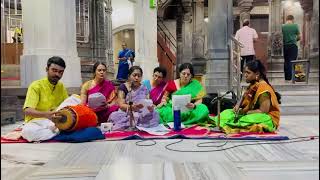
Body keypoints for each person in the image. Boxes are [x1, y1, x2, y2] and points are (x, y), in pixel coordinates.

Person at [211, 60, 281, 134]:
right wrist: (237, 107)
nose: (245, 75)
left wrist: (244, 113)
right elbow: (244, 97)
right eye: (245, 72)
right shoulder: (253, 85)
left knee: (245, 119)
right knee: (227, 113)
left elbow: (263, 111)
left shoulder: (264, 88)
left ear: (257, 74)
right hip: (250, 113)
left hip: (266, 118)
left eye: (248, 73)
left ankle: (233, 123)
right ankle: (231, 122)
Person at [21, 56, 69, 142]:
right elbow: (27, 110)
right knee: (28, 132)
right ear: (47, 69)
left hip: (55, 122)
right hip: (36, 122)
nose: (57, 74)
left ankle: (54, 132)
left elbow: (68, 105)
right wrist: (46, 114)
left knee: (75, 99)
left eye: (61, 72)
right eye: (54, 70)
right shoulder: (36, 86)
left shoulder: (61, 87)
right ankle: (57, 132)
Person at [108, 66, 160, 130]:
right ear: (129, 76)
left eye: (139, 76)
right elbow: (121, 105)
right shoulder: (123, 87)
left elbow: (148, 102)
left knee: (155, 113)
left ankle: (137, 124)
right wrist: (132, 107)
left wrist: (150, 107)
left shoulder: (144, 88)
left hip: (141, 112)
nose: (136, 78)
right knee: (115, 116)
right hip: (127, 112)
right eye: (134, 75)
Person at [282, 15, 301, 82]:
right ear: (292, 19)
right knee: (292, 61)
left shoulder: (282, 26)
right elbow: (299, 36)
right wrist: (295, 39)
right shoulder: (295, 26)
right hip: (293, 46)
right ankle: (292, 78)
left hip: (284, 46)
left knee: (286, 61)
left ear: (286, 19)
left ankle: (287, 78)